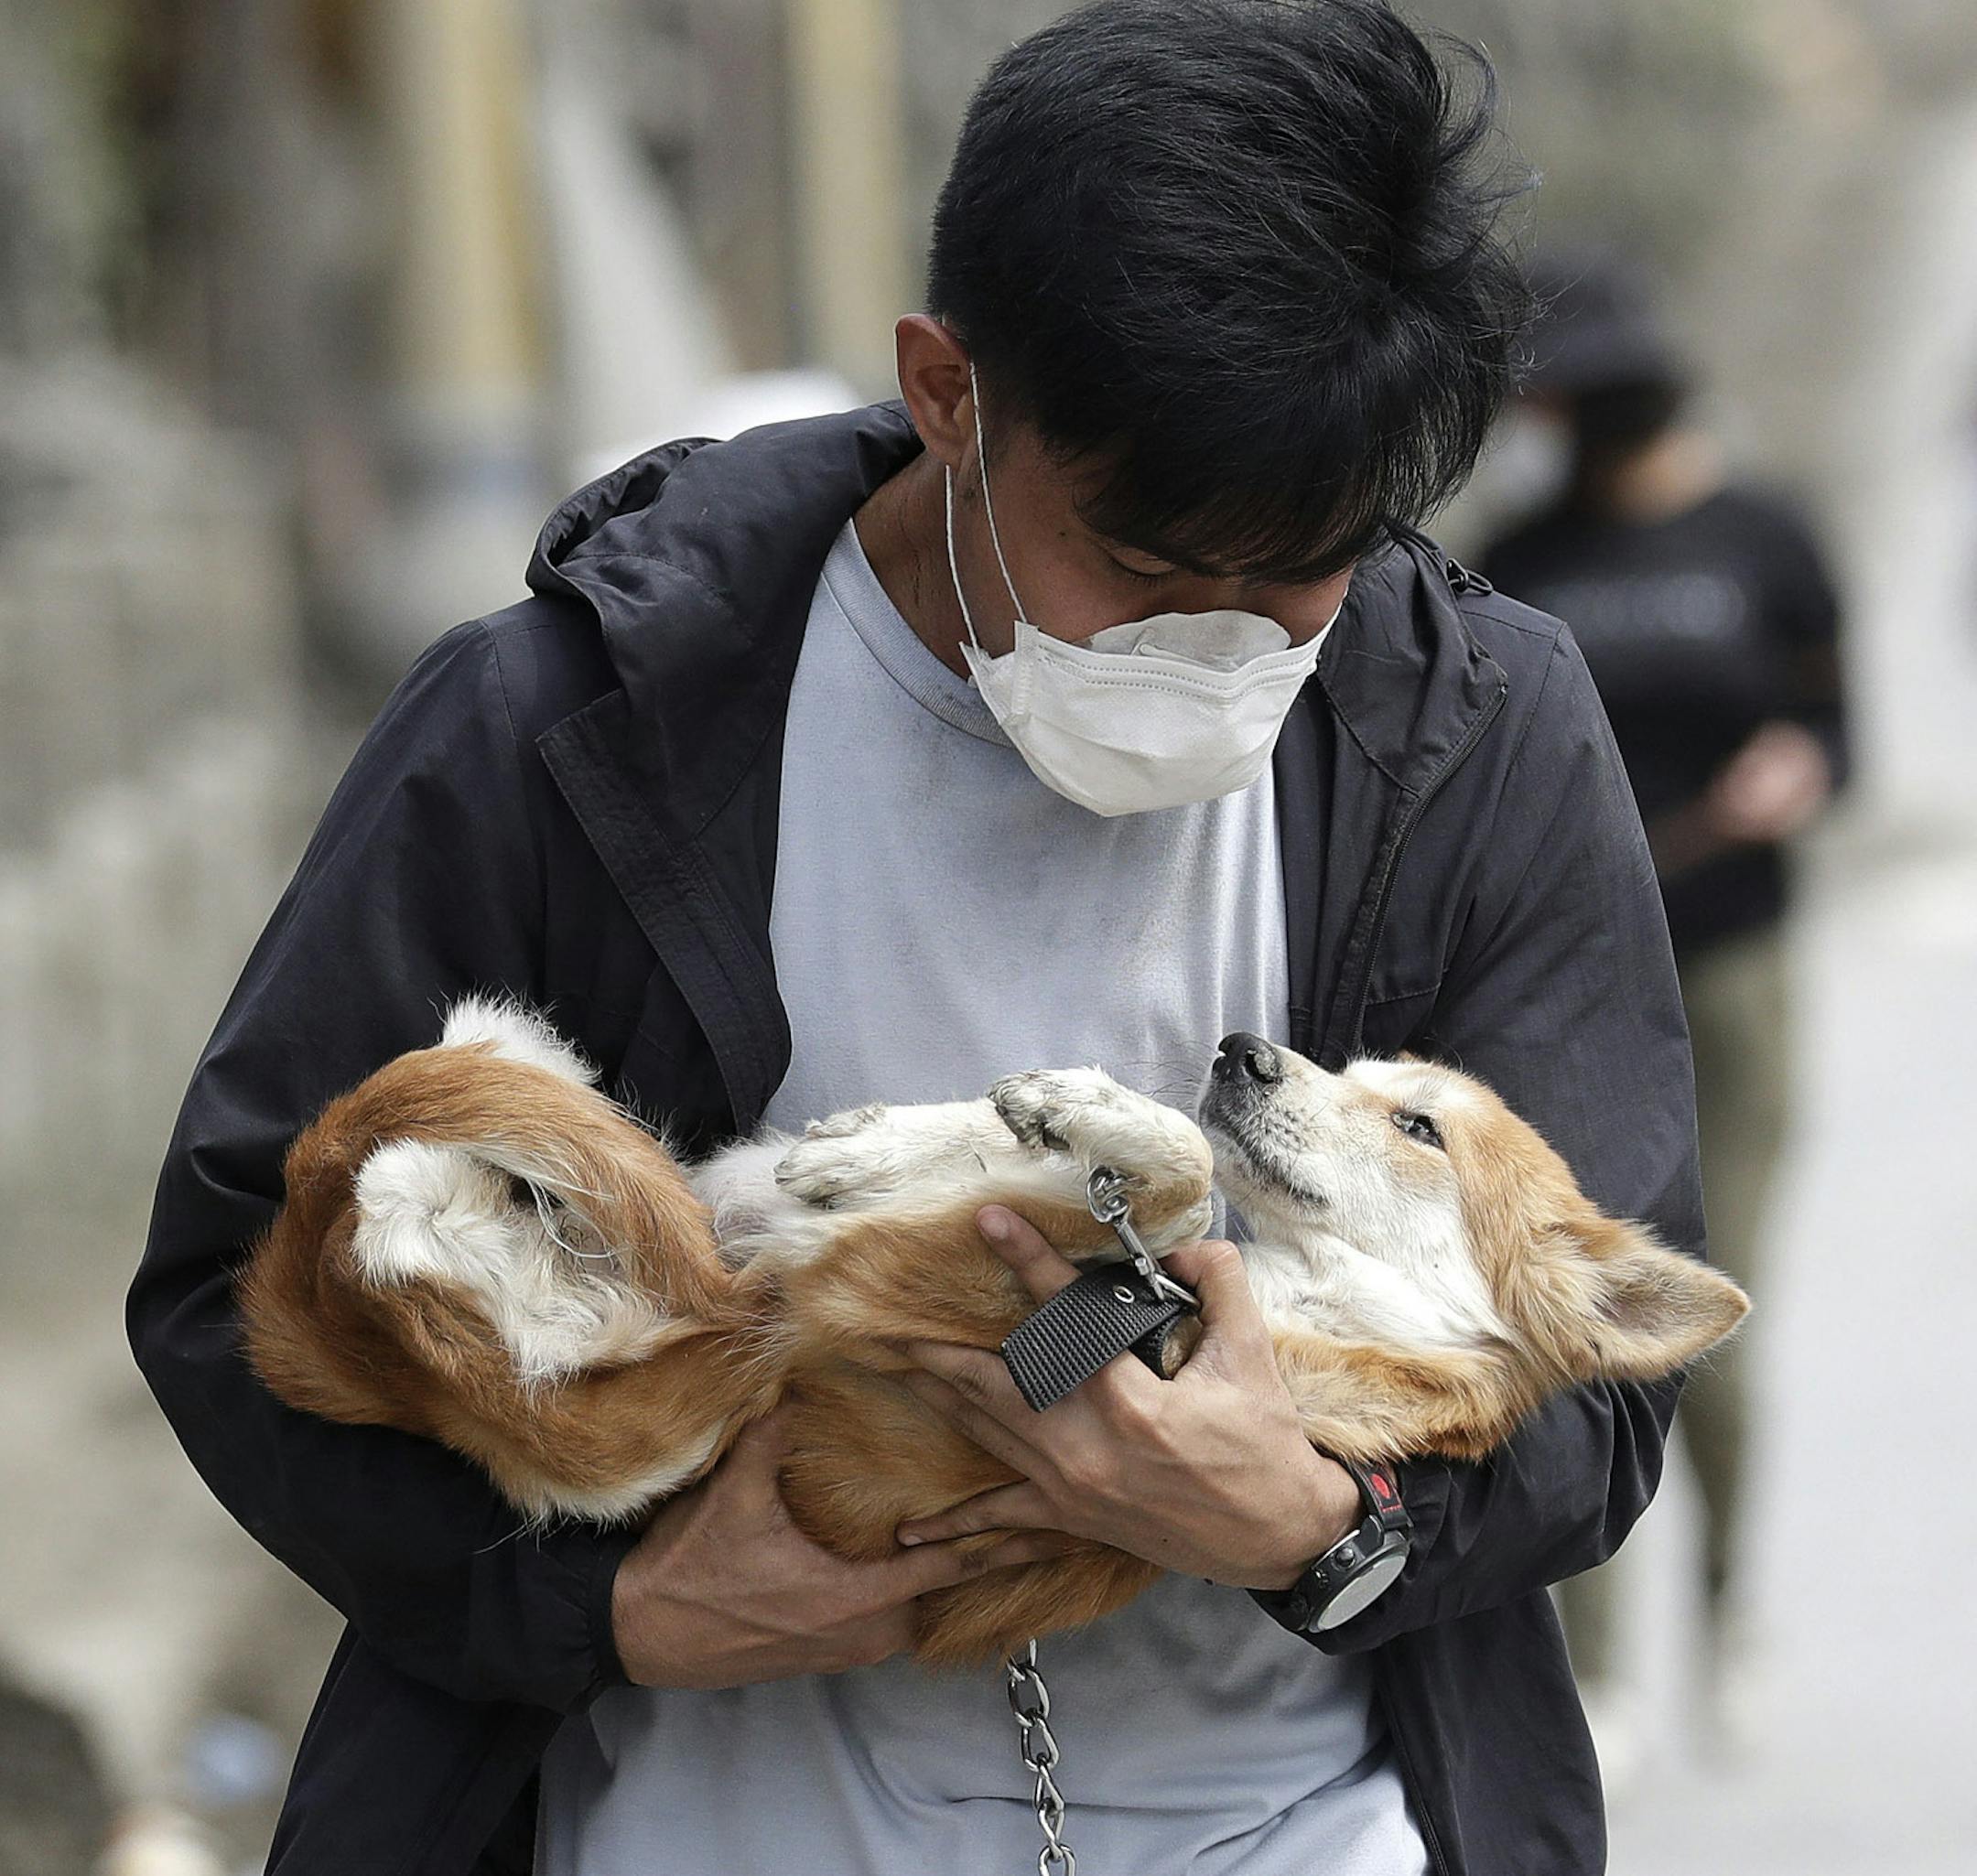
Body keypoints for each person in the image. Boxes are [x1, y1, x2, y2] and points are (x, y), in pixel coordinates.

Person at [127, 5, 1710, 1872]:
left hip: (1298, 1821)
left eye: (1302, 565)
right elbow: (237, 1282)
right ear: (949, 391)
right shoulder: (571, 722)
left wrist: (1320, 1520)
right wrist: (607, 1612)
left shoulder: (1475, 738)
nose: (1212, 638)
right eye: (1137, 562)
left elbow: (1595, 1387)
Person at [1480, 252, 1846, 1746]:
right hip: (1576, 983)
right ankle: (1604, 1660)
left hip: (1737, 968)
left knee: (1716, 1312)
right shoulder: (1522, 556)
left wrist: (1801, 771)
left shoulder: (1767, 535)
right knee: (1580, 1310)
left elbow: (1836, 723)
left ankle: (1725, 1602)